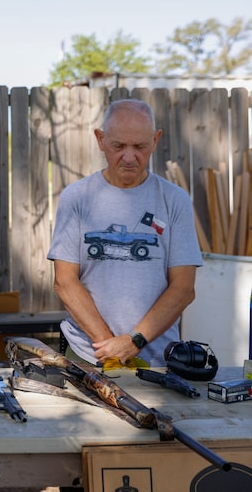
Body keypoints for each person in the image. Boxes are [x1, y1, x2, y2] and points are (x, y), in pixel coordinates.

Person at [48, 98, 202, 368]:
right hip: (88, 356)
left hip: (158, 362)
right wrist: (109, 347)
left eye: (140, 147)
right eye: (119, 146)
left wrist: (133, 342)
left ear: (155, 141)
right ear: (100, 139)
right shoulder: (77, 198)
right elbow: (64, 281)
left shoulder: (174, 200)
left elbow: (183, 288)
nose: (129, 157)